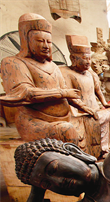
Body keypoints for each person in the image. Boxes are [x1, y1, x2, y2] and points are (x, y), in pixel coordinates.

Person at [0, 13, 81, 144]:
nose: (45, 45)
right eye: (40, 41)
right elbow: (26, 93)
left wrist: (84, 107)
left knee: (91, 122)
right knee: (67, 130)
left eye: (48, 41)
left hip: (64, 118)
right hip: (35, 121)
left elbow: (68, 92)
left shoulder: (53, 66)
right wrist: (62, 93)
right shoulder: (13, 62)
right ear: (27, 40)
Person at [61, 35, 110, 158]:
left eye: (88, 58)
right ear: (73, 58)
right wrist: (85, 109)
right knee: (93, 119)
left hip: (94, 109)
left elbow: (98, 90)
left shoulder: (91, 73)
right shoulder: (66, 73)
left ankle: (106, 148)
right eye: (84, 58)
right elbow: (70, 96)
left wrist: (104, 103)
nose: (88, 62)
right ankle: (94, 150)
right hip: (80, 113)